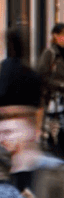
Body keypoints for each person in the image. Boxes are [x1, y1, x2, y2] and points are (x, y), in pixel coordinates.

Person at [0, 27, 42, 110]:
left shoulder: (5, 66)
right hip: (28, 115)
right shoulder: (30, 71)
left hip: (8, 114)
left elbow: (1, 94)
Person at [37, 23, 64, 158]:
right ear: (55, 36)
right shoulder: (50, 53)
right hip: (54, 101)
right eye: (63, 35)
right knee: (55, 131)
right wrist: (59, 85)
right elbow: (42, 76)